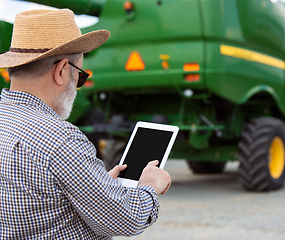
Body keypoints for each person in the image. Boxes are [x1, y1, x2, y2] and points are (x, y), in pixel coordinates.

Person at [0, 9, 171, 239]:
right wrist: (149, 187)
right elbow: (126, 219)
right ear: (61, 71)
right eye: (80, 75)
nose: (78, 84)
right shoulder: (60, 140)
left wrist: (96, 184)